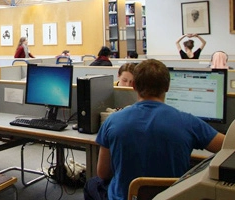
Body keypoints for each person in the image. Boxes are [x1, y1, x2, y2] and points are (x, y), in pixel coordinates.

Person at [84, 59, 225, 200]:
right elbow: (228, 146)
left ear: (134, 86)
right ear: (168, 87)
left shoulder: (112, 121)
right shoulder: (189, 122)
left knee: (92, 184)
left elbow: (103, 173)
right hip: (171, 197)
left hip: (126, 197)